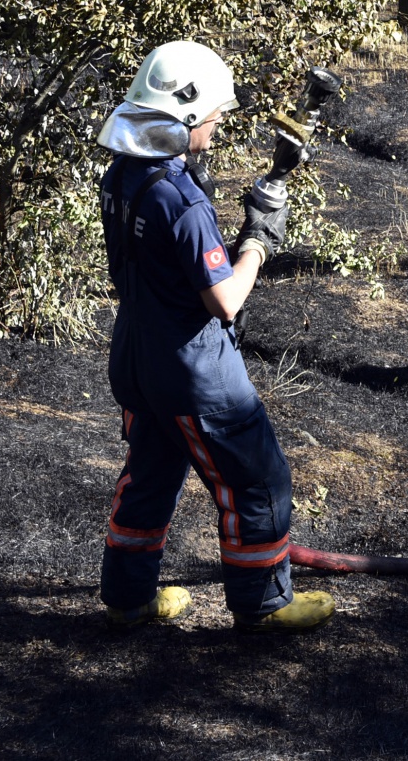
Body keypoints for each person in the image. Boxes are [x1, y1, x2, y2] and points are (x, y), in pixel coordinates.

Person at [94, 41, 333, 632]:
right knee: (258, 479)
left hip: (136, 358)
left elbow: (165, 261)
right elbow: (224, 299)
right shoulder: (184, 201)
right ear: (187, 113)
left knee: (149, 473)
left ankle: (128, 601)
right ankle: (264, 607)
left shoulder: (123, 174)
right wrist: (258, 237)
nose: (221, 122)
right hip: (194, 373)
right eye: (216, 114)